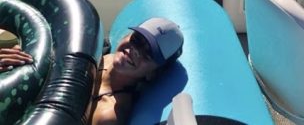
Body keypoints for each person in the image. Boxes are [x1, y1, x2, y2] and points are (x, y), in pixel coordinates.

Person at [0, 18, 184, 125]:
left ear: (152, 73)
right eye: (137, 39)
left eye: (148, 53)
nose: (135, 50)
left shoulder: (109, 113)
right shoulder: (91, 47)